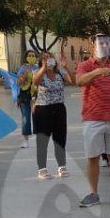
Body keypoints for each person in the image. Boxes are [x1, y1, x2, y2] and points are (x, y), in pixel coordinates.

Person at [75, 35, 110, 207]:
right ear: (93, 47)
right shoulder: (85, 66)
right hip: (93, 119)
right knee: (93, 157)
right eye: (101, 43)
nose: (104, 46)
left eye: (107, 43)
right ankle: (93, 194)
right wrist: (98, 72)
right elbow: (79, 81)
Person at [32, 50, 72, 180]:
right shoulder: (38, 72)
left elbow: (73, 81)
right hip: (43, 109)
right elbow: (35, 82)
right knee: (42, 140)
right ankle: (42, 169)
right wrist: (43, 68)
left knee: (60, 138)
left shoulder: (60, 73)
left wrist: (66, 66)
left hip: (59, 108)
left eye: (50, 58)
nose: (49, 60)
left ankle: (62, 166)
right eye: (45, 58)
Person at [14, 51, 38, 148]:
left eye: (33, 56)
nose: (31, 57)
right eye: (29, 56)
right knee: (25, 118)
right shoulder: (23, 68)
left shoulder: (38, 68)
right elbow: (18, 83)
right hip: (24, 96)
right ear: (26, 57)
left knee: (37, 117)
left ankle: (39, 137)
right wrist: (22, 77)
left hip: (36, 96)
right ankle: (25, 140)